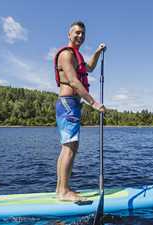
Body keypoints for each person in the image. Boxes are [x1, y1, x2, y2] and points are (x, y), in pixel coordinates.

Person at [54, 21, 106, 201]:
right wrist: (94, 102)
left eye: (83, 33)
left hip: (71, 104)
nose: (80, 36)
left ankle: (60, 189)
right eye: (77, 33)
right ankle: (63, 191)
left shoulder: (78, 56)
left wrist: (98, 52)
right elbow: (75, 82)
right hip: (68, 103)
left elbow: (89, 68)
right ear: (69, 34)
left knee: (68, 147)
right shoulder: (67, 55)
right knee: (70, 147)